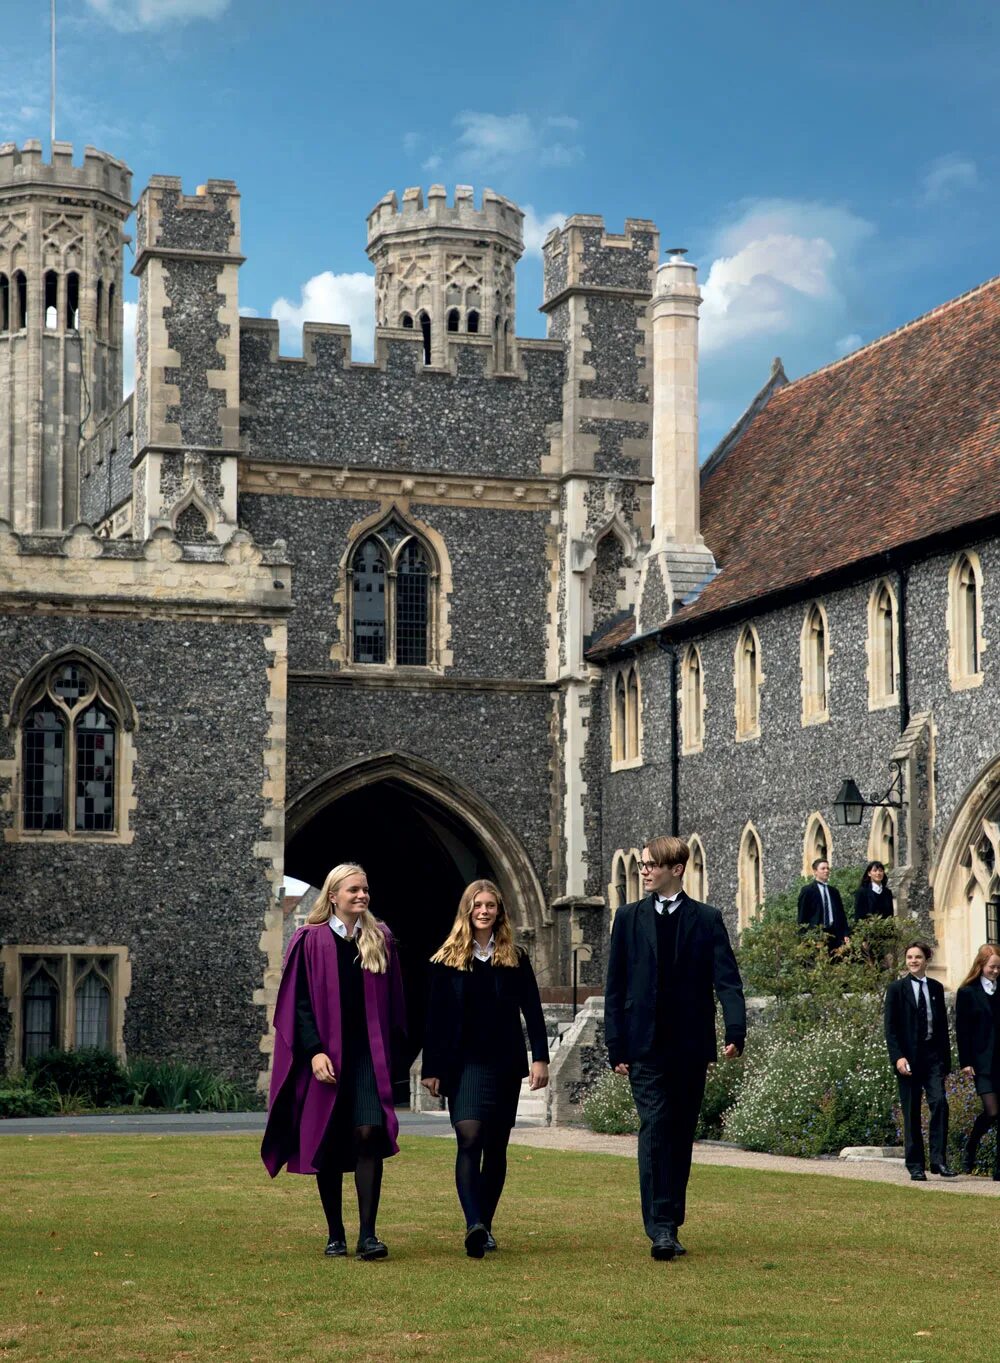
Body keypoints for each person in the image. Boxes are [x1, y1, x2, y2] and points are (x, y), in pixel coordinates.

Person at [605, 835, 746, 1261]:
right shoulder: (628, 919)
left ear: (676, 869)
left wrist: (735, 1031)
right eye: (643, 864)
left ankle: (671, 1220)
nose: (644, 870)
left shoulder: (707, 919)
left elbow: (727, 981)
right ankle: (660, 1227)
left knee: (680, 1134)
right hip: (643, 1047)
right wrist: (617, 1046)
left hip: (688, 1046)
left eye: (651, 865)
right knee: (655, 1128)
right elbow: (616, 988)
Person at [261, 863, 406, 1259]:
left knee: (368, 1134)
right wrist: (313, 1052)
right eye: (353, 890)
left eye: (365, 889)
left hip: (366, 1057)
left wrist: (395, 1054)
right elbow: (298, 1005)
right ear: (333, 896)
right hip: (326, 1057)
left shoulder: (380, 939)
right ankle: (335, 1233)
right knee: (328, 1137)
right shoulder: (310, 940)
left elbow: (395, 1004)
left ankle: (368, 1235)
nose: (361, 896)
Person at [421, 879, 549, 1258]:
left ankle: (485, 1227)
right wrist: (431, 1067)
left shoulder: (515, 958)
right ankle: (473, 1222)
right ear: (467, 909)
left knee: (495, 1147)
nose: (484, 910)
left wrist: (539, 1057)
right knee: (469, 1136)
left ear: (499, 911)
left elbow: (534, 1012)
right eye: (477, 904)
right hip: (463, 1065)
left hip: (504, 1062)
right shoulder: (445, 960)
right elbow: (434, 1019)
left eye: (490, 905)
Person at [883, 940, 956, 1180]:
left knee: (940, 1106)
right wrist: (898, 1058)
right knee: (912, 1111)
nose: (913, 961)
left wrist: (946, 1061)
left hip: (933, 1057)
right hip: (909, 1059)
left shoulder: (936, 988)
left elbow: (942, 1027)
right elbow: (890, 1028)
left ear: (927, 960)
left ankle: (938, 1161)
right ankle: (915, 1165)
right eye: (910, 957)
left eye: (918, 957)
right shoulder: (896, 989)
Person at [955, 942, 1000, 1179]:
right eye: (992, 967)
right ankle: (971, 1146)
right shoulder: (968, 992)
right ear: (981, 965)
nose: (995, 971)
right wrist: (966, 1062)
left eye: (998, 968)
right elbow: (962, 1031)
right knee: (992, 1112)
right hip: (982, 1062)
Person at [797, 858, 850, 951]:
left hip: (835, 934)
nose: (826, 871)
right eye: (823, 868)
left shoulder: (834, 892)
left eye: (828, 868)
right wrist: (805, 939)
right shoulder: (807, 891)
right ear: (815, 871)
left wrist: (845, 933)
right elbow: (802, 917)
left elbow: (841, 915)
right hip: (816, 935)